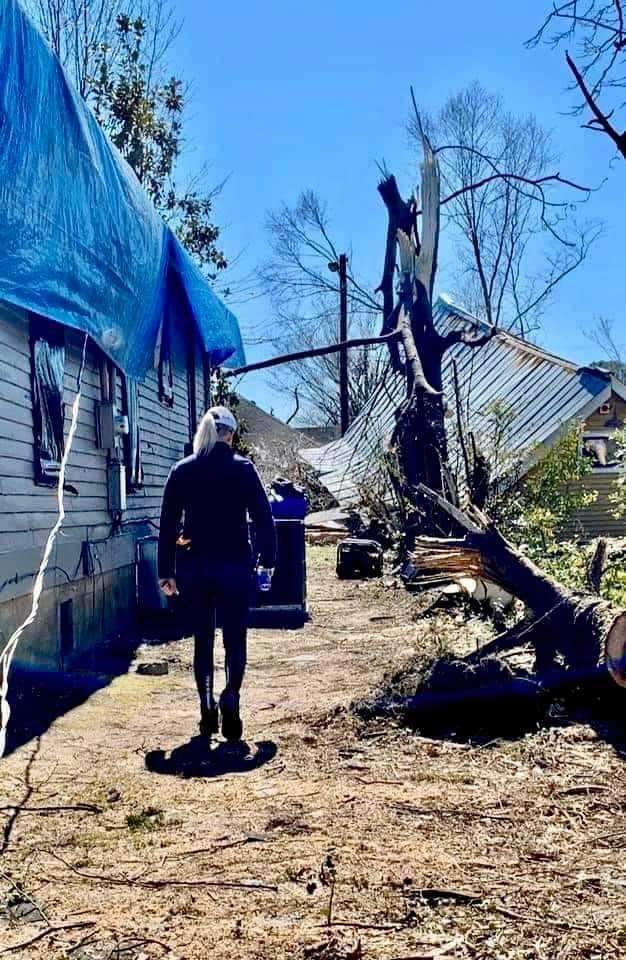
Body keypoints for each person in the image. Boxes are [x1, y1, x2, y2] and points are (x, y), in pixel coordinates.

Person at [158, 405, 276, 741]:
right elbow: (264, 520)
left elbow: (168, 524)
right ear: (229, 434)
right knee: (235, 637)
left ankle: (207, 708)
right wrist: (268, 561)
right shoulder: (243, 469)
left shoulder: (182, 471)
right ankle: (232, 697)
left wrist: (166, 571)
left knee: (202, 640)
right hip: (235, 566)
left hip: (194, 568)